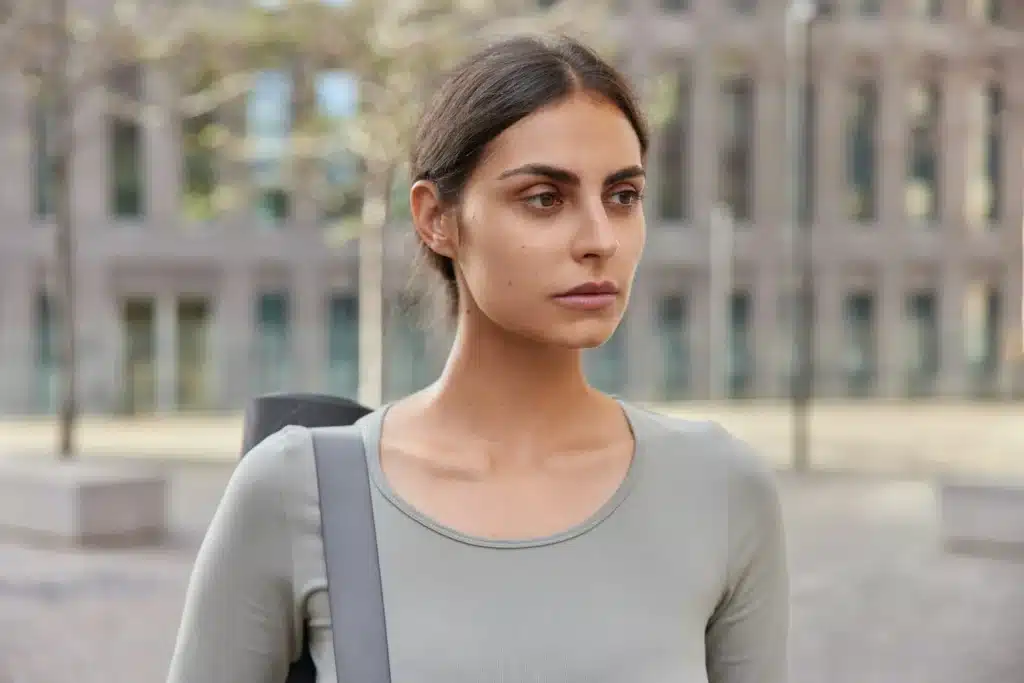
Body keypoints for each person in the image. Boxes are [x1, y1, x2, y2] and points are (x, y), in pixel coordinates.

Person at [166, 34, 788, 683]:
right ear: (437, 218)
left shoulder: (719, 488)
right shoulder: (297, 492)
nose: (600, 239)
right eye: (545, 198)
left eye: (622, 196)